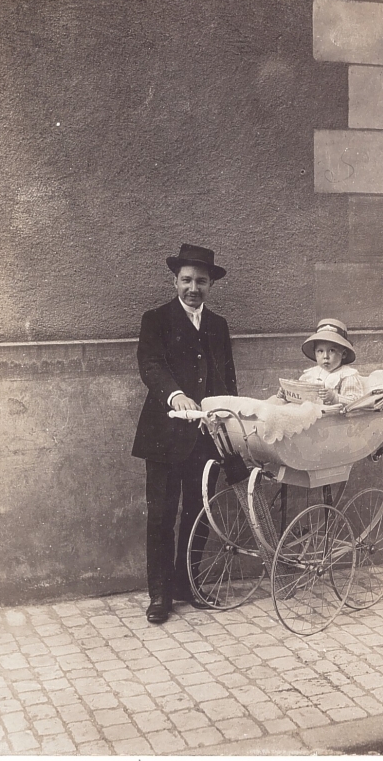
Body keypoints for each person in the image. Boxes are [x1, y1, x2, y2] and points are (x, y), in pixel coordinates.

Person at [132, 244, 237, 624]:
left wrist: (231, 428)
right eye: (187, 280)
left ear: (211, 285)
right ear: (175, 280)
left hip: (206, 438)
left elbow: (227, 378)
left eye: (202, 282)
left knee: (200, 511)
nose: (194, 288)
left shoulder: (218, 325)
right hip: (163, 435)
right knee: (161, 515)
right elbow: (151, 365)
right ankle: (160, 594)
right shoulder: (156, 319)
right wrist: (176, 394)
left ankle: (187, 584)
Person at [278, 318, 363, 405]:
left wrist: (334, 397)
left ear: (343, 354)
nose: (325, 356)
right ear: (315, 353)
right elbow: (300, 396)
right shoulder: (310, 375)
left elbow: (356, 401)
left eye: (332, 351)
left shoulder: (347, 375)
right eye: (320, 351)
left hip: (335, 416)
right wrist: (288, 394)